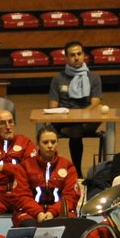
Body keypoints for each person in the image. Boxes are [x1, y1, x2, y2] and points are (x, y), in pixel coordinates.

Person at [48, 41, 104, 170]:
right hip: (64, 120)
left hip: (87, 119)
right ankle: (75, 171)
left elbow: (95, 102)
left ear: (84, 55)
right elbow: (53, 105)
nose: (76, 57)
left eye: (79, 54)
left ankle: (78, 171)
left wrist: (82, 115)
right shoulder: (58, 78)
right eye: (72, 55)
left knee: (79, 126)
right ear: (66, 58)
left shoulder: (94, 77)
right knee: (74, 129)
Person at [8, 125, 80, 225]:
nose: (50, 145)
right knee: (29, 226)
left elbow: (71, 196)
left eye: (53, 142)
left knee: (69, 226)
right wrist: (38, 213)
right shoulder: (25, 166)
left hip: (59, 212)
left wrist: (52, 212)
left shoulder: (68, 166)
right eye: (45, 142)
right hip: (30, 213)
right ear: (37, 145)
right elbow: (21, 196)